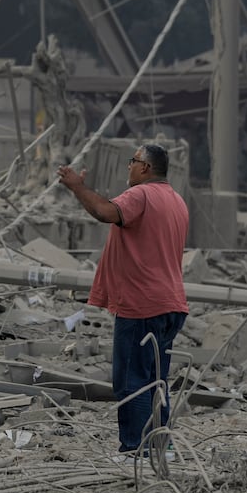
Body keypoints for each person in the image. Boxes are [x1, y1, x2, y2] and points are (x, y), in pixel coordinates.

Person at [56, 143, 190, 457]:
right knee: (156, 380)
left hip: (141, 302)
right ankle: (160, 445)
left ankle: (136, 450)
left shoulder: (140, 195)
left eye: (133, 161)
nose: (128, 167)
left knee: (132, 380)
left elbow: (105, 212)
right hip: (171, 303)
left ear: (146, 168)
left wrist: (77, 187)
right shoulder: (176, 200)